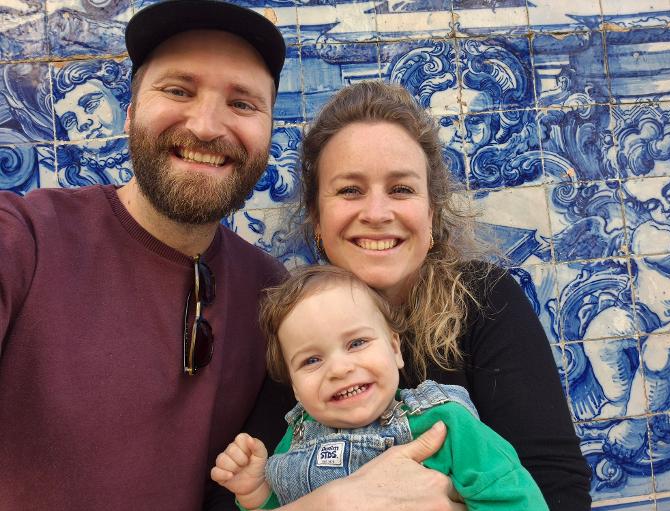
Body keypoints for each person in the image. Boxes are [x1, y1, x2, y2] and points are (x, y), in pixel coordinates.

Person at [0, 2, 472, 510]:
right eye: (178, 90)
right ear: (131, 111)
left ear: (268, 133)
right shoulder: (25, 240)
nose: (206, 127)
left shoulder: (269, 294)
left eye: (242, 104)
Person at [286, 80, 593, 510]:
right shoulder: (293, 327)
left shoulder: (484, 301)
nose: (377, 213)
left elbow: (558, 490)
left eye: (401, 189)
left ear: (431, 214)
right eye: (350, 190)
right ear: (317, 219)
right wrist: (334, 502)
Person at [212, 265, 549, 511]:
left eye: (357, 343)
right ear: (296, 389)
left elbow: (512, 497)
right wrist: (256, 492)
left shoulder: (444, 423)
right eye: (311, 360)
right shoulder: (294, 440)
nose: (340, 369)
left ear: (394, 349)